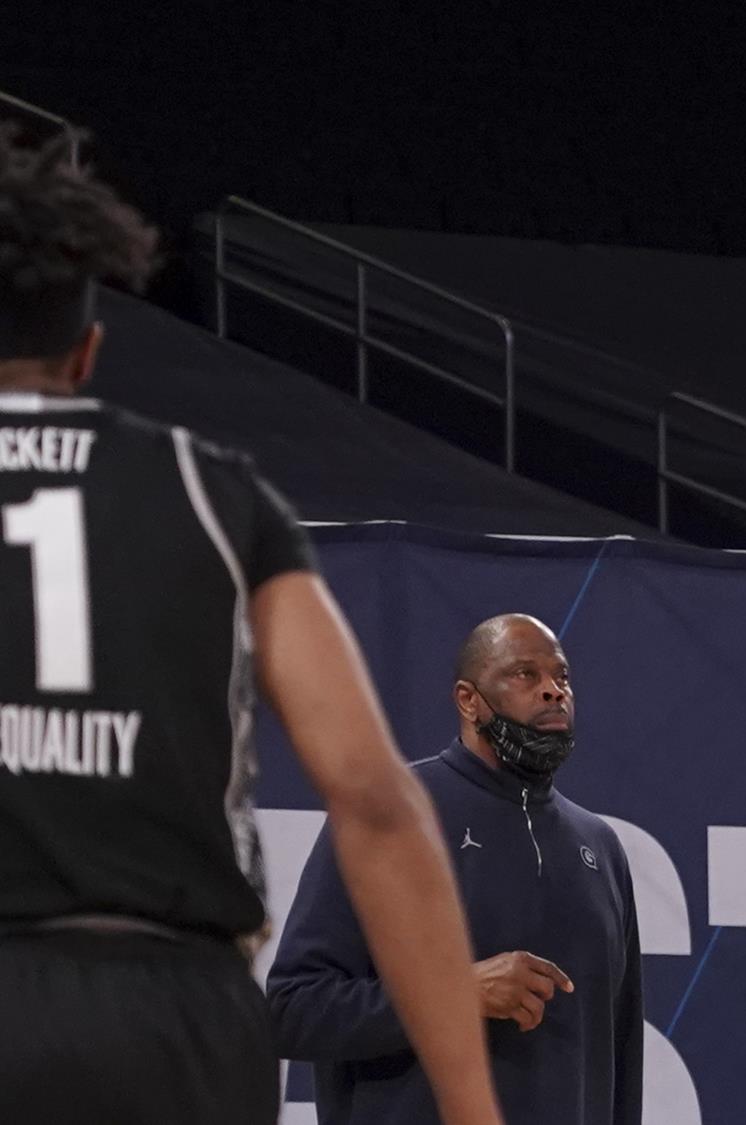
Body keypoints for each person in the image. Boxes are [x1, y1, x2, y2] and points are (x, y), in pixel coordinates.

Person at [0, 127, 502, 1124]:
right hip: (169, 1013)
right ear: (90, 351)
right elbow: (374, 802)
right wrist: (470, 1106)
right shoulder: (209, 491)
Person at [268, 613, 643, 1125]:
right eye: (525, 675)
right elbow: (294, 1010)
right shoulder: (390, 816)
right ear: (469, 700)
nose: (554, 692)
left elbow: (620, 1054)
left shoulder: (600, 846)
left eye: (562, 676)